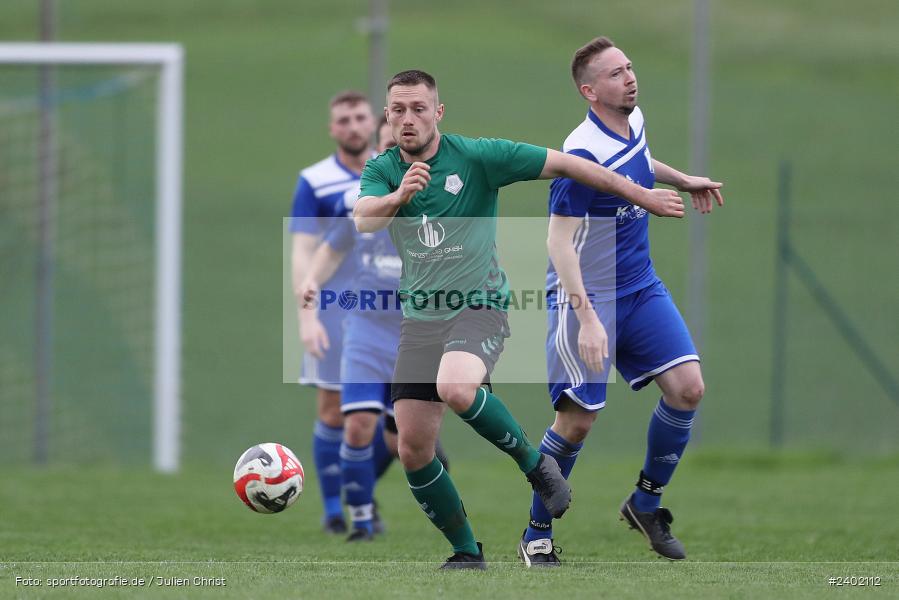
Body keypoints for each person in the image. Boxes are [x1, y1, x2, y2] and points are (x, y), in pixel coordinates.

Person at [353, 69, 685, 569]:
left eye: (419, 108)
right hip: (420, 319)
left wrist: (645, 194)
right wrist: (399, 196)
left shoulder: (478, 156)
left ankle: (536, 466)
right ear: (387, 114)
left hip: (479, 306)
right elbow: (364, 218)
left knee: (456, 388)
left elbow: (571, 165)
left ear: (438, 112)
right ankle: (467, 552)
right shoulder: (382, 170)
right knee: (414, 451)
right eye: (398, 109)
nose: (408, 118)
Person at [517, 37, 725, 567]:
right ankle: (536, 534)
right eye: (615, 74)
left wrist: (683, 179)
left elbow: (637, 164)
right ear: (589, 91)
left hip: (639, 285)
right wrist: (587, 318)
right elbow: (558, 242)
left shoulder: (634, 121)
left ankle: (645, 505)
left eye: (629, 68)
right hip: (586, 297)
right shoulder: (580, 154)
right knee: (577, 421)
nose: (629, 78)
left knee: (688, 388)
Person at [299, 116, 449, 541]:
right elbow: (333, 247)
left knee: (406, 441)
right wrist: (312, 282)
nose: (392, 153)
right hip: (366, 327)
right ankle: (361, 520)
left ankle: (380, 496)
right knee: (357, 425)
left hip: (416, 331)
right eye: (384, 146)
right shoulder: (360, 201)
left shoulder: (439, 198)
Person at [290, 90, 376, 534]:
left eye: (359, 117)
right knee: (333, 409)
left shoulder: (394, 172)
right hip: (335, 307)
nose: (353, 126)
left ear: (373, 122)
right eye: (343, 120)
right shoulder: (315, 181)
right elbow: (303, 252)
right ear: (332, 129)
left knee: (392, 421)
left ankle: (361, 495)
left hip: (390, 308)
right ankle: (333, 512)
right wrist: (306, 317)